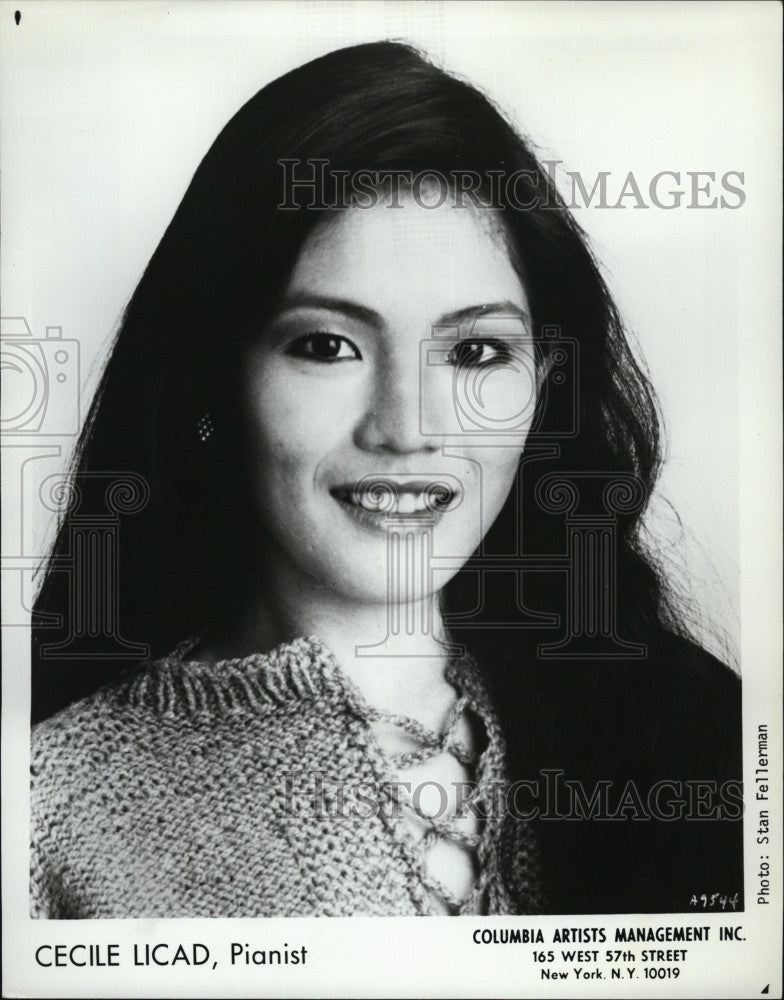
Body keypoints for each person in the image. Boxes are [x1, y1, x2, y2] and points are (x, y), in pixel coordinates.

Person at [30, 41, 742, 918]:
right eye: (327, 345)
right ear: (213, 379)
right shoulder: (46, 810)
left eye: (476, 352)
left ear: (545, 387)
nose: (408, 427)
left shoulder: (699, 732)